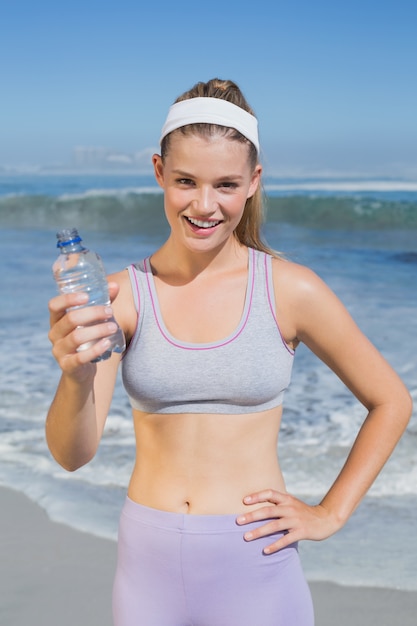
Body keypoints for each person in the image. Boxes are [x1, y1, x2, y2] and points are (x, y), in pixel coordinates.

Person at [46, 78, 412, 626]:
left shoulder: (291, 290)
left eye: (225, 184)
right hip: (147, 563)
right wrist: (75, 376)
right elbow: (73, 454)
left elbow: (392, 401)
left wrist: (329, 514)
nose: (204, 204)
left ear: (253, 183)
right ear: (158, 173)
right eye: (185, 181)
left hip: (256, 562)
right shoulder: (123, 296)